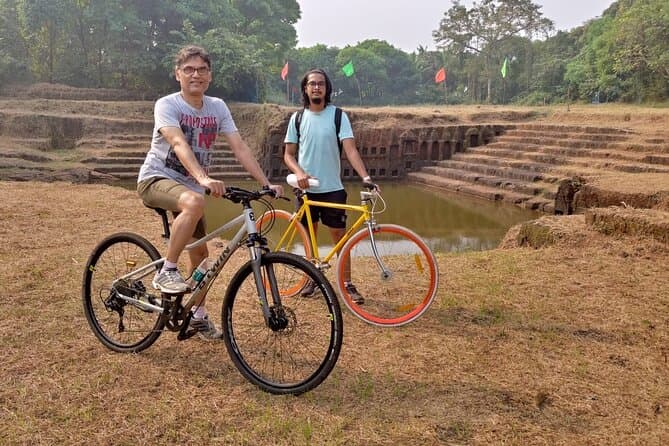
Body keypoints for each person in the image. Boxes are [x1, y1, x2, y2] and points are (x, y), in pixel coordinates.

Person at [137, 45, 283, 339]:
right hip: (157, 178)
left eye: (202, 70)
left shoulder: (217, 107)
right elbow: (178, 144)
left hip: (190, 188)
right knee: (194, 202)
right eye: (189, 69)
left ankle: (198, 316)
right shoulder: (168, 105)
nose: (196, 75)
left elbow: (239, 147)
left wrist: (265, 182)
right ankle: (167, 269)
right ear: (178, 74)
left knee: (203, 258)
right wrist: (203, 177)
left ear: (210, 76)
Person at [283, 68, 377, 304]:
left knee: (340, 237)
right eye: (312, 84)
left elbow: (350, 149)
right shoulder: (297, 118)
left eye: (321, 84)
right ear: (305, 88)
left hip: (332, 188)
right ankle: (313, 279)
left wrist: (365, 177)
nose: (316, 87)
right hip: (306, 188)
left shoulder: (338, 116)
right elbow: (288, 155)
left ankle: (347, 284)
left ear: (327, 88)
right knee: (308, 236)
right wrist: (299, 172)